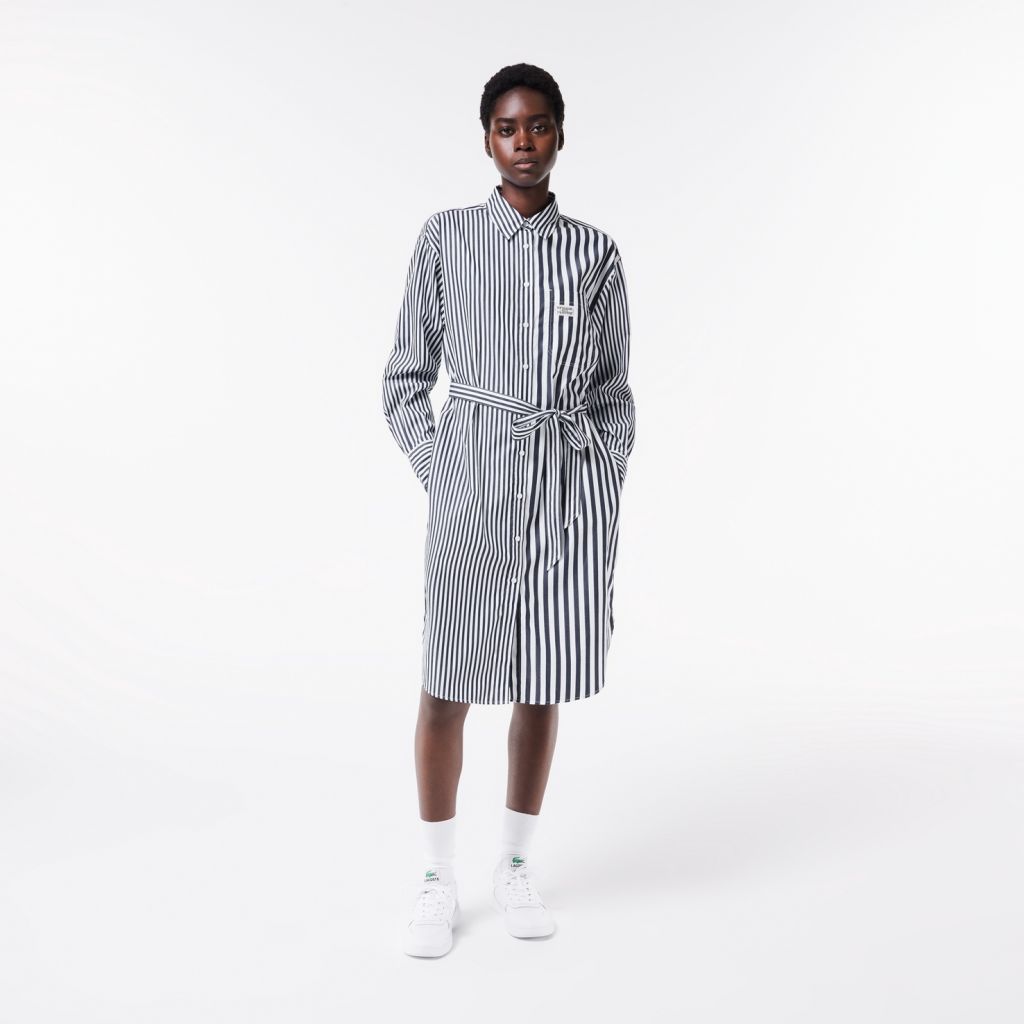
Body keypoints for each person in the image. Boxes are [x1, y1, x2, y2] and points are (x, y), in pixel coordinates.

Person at [382, 63, 637, 958]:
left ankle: (516, 863)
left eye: (537, 126)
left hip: (564, 494)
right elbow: (405, 378)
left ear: (561, 132)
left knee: (542, 675)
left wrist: (599, 474)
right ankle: (435, 876)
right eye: (506, 127)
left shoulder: (594, 253)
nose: (523, 142)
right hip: (473, 489)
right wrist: (446, 469)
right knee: (446, 679)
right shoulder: (446, 238)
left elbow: (613, 390)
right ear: (486, 139)